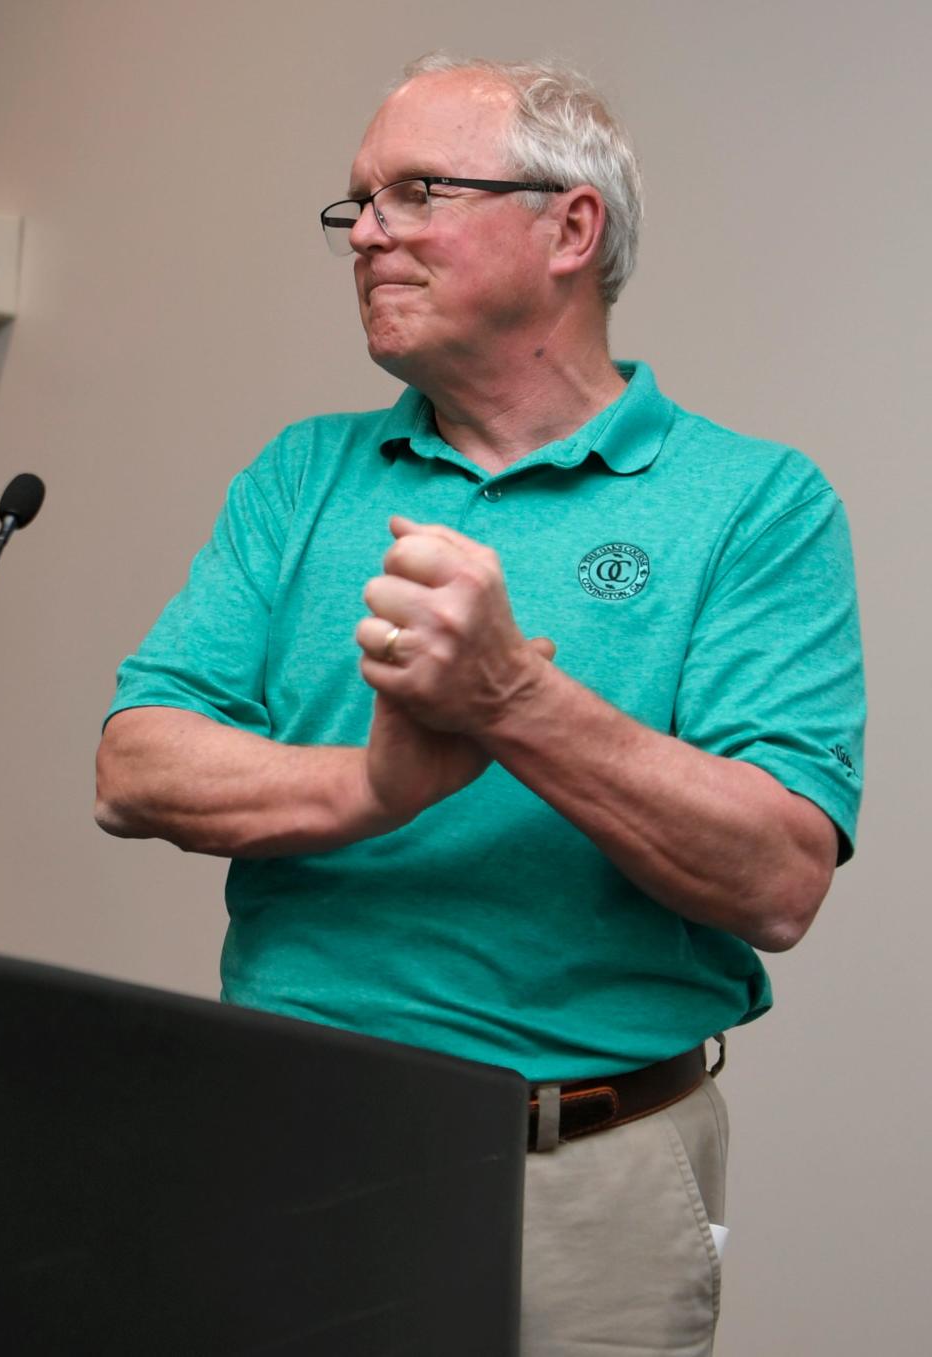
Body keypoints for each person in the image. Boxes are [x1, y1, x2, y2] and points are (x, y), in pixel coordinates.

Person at [96, 54, 865, 1356]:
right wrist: (374, 788)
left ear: (572, 227)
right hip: (283, 1145)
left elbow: (779, 879)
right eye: (357, 205)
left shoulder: (758, 504)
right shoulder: (301, 477)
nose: (369, 232)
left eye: (417, 192)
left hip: (588, 1175)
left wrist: (513, 697)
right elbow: (135, 763)